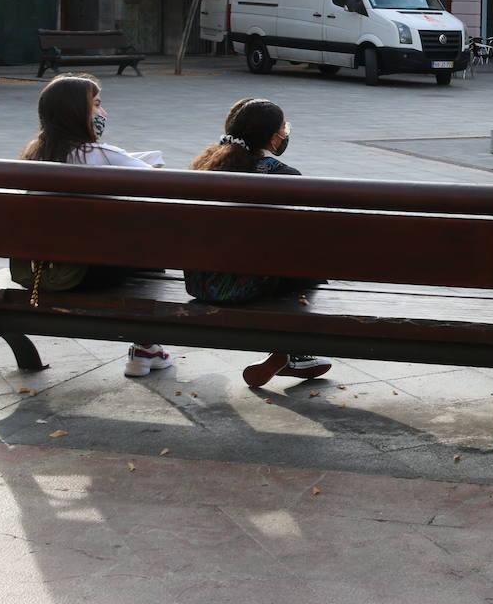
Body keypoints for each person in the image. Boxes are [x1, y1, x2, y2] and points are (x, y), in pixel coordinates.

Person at [17, 73, 173, 378]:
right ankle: (144, 345)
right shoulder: (105, 156)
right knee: (150, 244)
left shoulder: (32, 156)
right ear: (78, 113)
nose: (103, 113)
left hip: (40, 271)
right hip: (93, 273)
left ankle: (147, 348)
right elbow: (165, 189)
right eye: (97, 105)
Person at [185, 98, 332, 388]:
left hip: (199, 282)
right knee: (305, 261)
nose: (286, 133)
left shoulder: (202, 167)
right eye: (283, 128)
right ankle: (294, 349)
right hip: (245, 287)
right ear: (272, 137)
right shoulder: (282, 176)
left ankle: (289, 353)